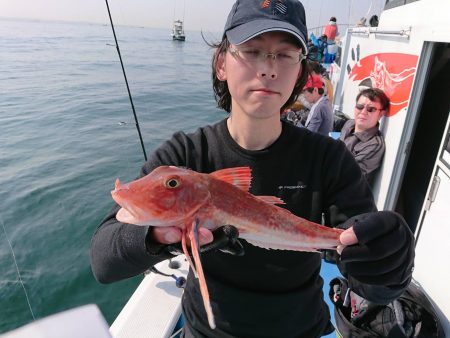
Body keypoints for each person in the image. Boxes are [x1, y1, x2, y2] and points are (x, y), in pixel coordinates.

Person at [90, 1, 415, 337]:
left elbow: (371, 284)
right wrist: (162, 236)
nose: (269, 69)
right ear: (221, 64)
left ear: (300, 71)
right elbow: (103, 260)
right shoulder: (186, 154)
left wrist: (392, 266)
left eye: (285, 54)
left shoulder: (329, 158)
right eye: (252, 50)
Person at [340, 88, 389, 185]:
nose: (363, 112)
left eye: (371, 109)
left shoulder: (374, 145)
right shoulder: (349, 124)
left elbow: (346, 176)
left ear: (381, 114)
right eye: (359, 106)